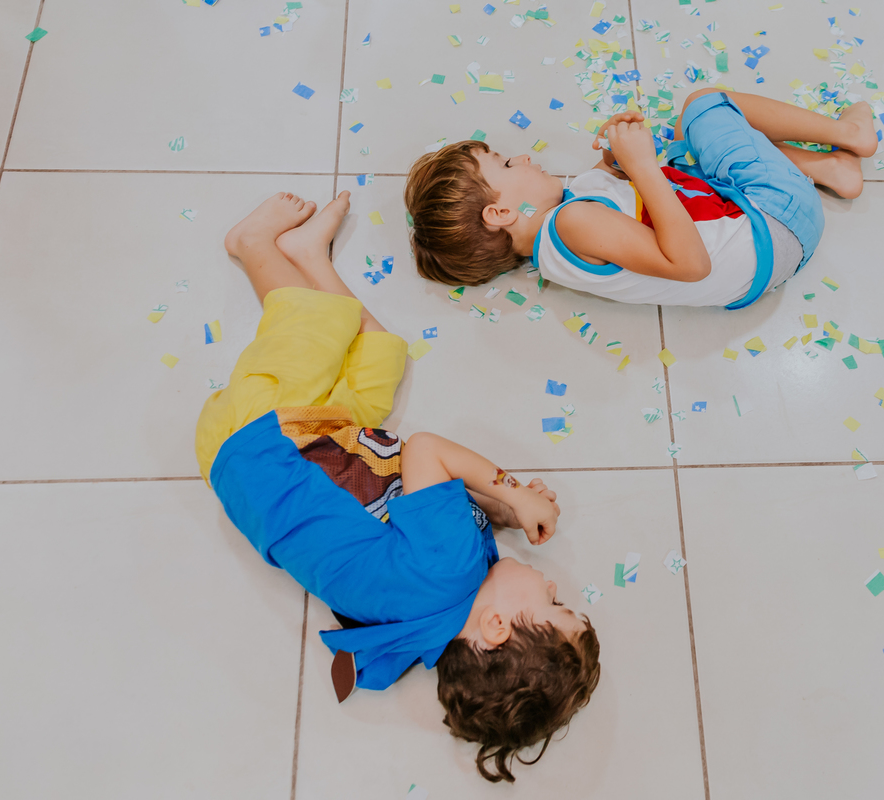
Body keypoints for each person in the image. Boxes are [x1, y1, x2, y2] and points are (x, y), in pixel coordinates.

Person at [195, 190, 600, 783]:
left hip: (267, 436)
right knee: (380, 355)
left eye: (553, 604)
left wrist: (513, 491)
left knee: (309, 324)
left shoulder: (451, 572)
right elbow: (426, 518)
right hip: (298, 455)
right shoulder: (427, 624)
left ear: (494, 628)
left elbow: (426, 450)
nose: (556, 585)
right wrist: (503, 519)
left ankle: (251, 245)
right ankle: (311, 255)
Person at [405, 88, 878, 309]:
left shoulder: (555, 247)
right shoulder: (573, 223)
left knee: (678, 144)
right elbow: (691, 265)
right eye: (507, 165)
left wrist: (616, 157)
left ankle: (827, 168)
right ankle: (849, 136)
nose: (525, 158)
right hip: (778, 224)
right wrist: (643, 166)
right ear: (502, 212)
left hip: (767, 261)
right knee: (702, 108)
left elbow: (610, 204)